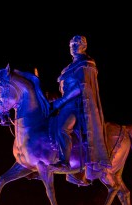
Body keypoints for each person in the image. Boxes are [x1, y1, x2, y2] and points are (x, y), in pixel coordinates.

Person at [50, 35, 110, 183]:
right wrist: (54, 99)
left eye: (77, 44)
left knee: (63, 128)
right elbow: (65, 89)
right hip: (65, 105)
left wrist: (60, 101)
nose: (74, 47)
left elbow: (80, 87)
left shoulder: (85, 63)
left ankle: (65, 162)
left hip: (78, 106)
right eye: (71, 45)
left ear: (84, 46)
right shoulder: (68, 68)